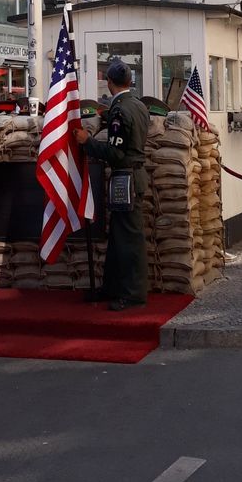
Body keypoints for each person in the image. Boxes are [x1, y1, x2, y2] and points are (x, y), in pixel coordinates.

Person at [73, 60, 150, 311]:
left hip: (125, 177)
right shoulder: (137, 105)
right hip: (132, 176)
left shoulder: (120, 111)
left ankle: (133, 293)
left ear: (109, 82)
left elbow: (116, 153)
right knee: (118, 238)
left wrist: (87, 142)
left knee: (129, 240)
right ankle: (114, 287)